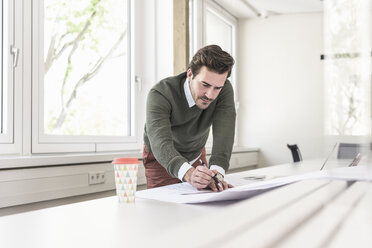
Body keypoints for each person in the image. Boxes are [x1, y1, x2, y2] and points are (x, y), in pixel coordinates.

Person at [143, 45, 236, 192]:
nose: (210, 95)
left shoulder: (224, 89)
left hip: (196, 151)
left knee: (207, 201)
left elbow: (225, 132)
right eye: (205, 85)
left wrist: (218, 173)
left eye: (217, 88)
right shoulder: (160, 94)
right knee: (162, 208)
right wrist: (187, 173)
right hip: (161, 155)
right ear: (190, 74)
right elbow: (160, 143)